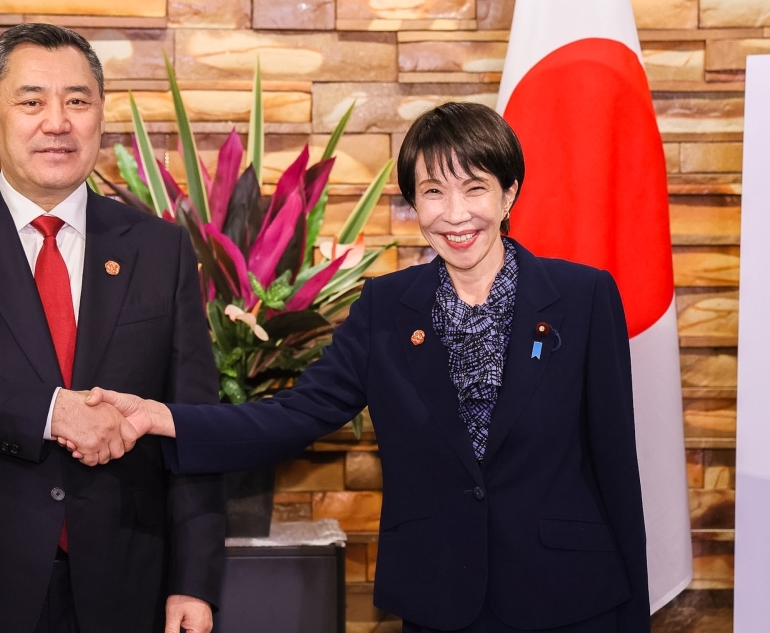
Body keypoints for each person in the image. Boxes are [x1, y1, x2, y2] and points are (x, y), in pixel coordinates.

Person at [74, 102, 651, 632]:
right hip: (442, 599)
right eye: (432, 192)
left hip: (570, 597)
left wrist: (635, 619)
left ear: (509, 193)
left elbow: (616, 466)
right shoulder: (385, 309)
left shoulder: (582, 298)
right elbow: (294, 415)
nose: (455, 215)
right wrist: (161, 417)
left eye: (474, 189)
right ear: (412, 203)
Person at [0, 23, 225, 633]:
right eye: (31, 101)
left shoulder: (159, 248)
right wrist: (53, 412)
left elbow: (192, 419)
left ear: (100, 116)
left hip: (123, 578)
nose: (56, 122)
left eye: (77, 101)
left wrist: (193, 581)